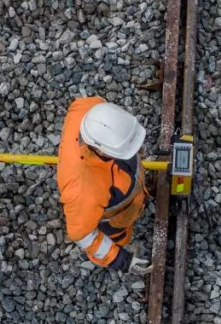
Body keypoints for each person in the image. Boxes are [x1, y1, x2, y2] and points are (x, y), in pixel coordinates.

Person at [57, 96, 153, 274]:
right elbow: (82, 234)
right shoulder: (84, 191)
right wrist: (120, 258)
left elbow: (79, 103)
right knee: (119, 235)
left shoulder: (89, 109)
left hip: (125, 183)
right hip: (115, 220)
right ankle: (121, 240)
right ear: (101, 149)